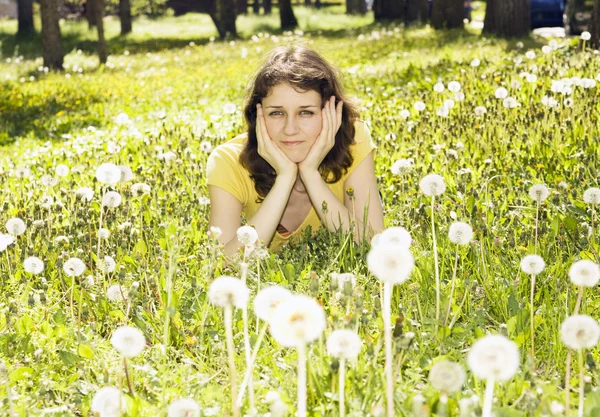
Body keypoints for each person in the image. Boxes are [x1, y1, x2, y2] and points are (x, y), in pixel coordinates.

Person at [206, 45, 384, 258]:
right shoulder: (228, 161)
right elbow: (222, 264)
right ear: (257, 117)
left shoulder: (354, 142)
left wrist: (310, 174)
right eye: (276, 113)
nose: (290, 129)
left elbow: (374, 247)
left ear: (331, 113)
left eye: (306, 112)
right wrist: (285, 177)